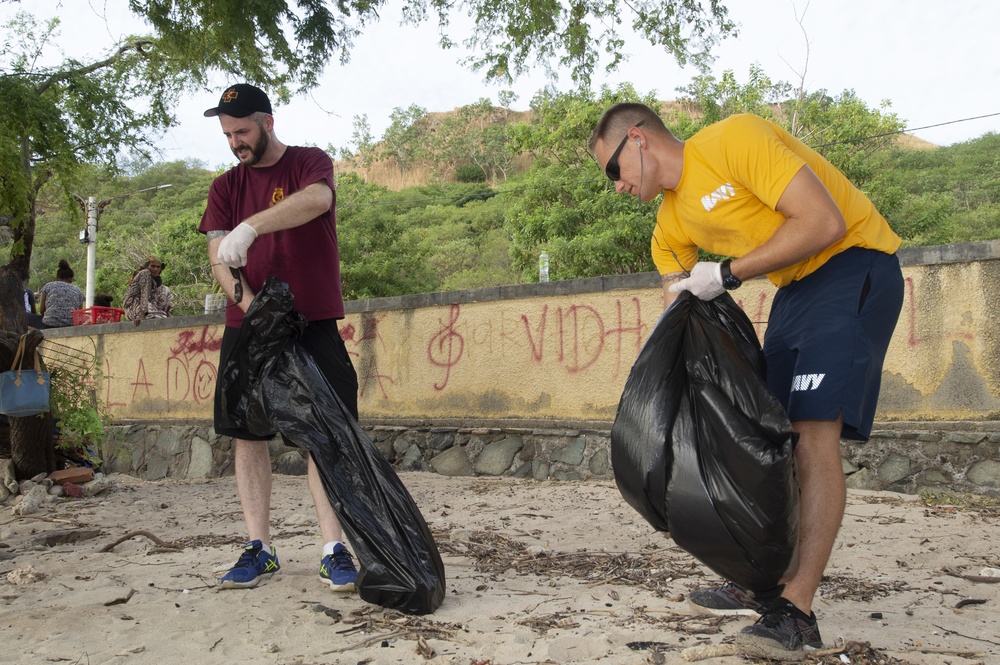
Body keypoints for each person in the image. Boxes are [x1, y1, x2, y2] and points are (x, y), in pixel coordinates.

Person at [589, 104, 904, 659]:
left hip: (853, 262)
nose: (615, 187)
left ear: (637, 139)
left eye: (613, 170)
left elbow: (822, 222)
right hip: (795, 290)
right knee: (767, 440)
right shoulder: (670, 226)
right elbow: (677, 308)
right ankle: (761, 581)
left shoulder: (733, 140)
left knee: (811, 434)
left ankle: (797, 611)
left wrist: (729, 272)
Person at [198, 83, 360, 593]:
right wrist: (253, 309)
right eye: (227, 134)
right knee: (249, 435)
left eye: (242, 131)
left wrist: (251, 227)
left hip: (312, 323)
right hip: (248, 327)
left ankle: (333, 548)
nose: (235, 142)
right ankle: (259, 548)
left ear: (267, 121)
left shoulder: (309, 163)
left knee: (326, 433)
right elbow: (217, 257)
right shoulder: (224, 186)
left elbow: (316, 200)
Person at [122, 257, 173, 324]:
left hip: (148, 306)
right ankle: (150, 314)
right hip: (134, 305)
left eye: (158, 267)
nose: (155, 269)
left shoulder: (156, 281)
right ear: (146, 267)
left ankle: (163, 313)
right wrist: (141, 315)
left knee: (164, 289)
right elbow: (144, 294)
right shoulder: (145, 273)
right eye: (153, 266)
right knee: (153, 316)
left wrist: (167, 312)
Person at [37, 260, 85, 328]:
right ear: (71, 279)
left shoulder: (48, 286)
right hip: (71, 324)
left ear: (57, 277)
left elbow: (41, 310)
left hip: (50, 323)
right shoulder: (78, 290)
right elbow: (79, 314)